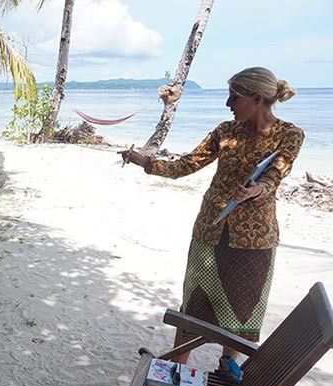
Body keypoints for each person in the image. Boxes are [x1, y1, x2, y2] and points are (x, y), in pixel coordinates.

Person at [120, 67, 304, 363]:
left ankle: (226, 366)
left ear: (257, 99)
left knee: (242, 308)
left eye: (234, 97)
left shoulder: (291, 135)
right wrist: (146, 162)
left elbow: (276, 176)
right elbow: (186, 165)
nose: (228, 104)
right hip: (210, 229)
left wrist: (256, 191)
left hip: (255, 237)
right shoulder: (224, 131)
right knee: (195, 303)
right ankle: (177, 364)